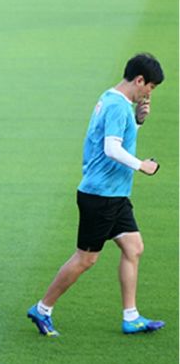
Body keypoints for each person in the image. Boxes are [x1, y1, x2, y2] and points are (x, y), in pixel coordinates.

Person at [27, 53, 165, 337]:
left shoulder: (113, 99)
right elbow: (111, 148)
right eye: (149, 87)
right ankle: (42, 309)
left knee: (133, 247)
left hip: (115, 195)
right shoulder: (116, 105)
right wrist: (143, 166)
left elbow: (117, 136)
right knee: (85, 259)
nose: (148, 94)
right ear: (139, 80)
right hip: (101, 196)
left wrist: (137, 122)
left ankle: (131, 317)